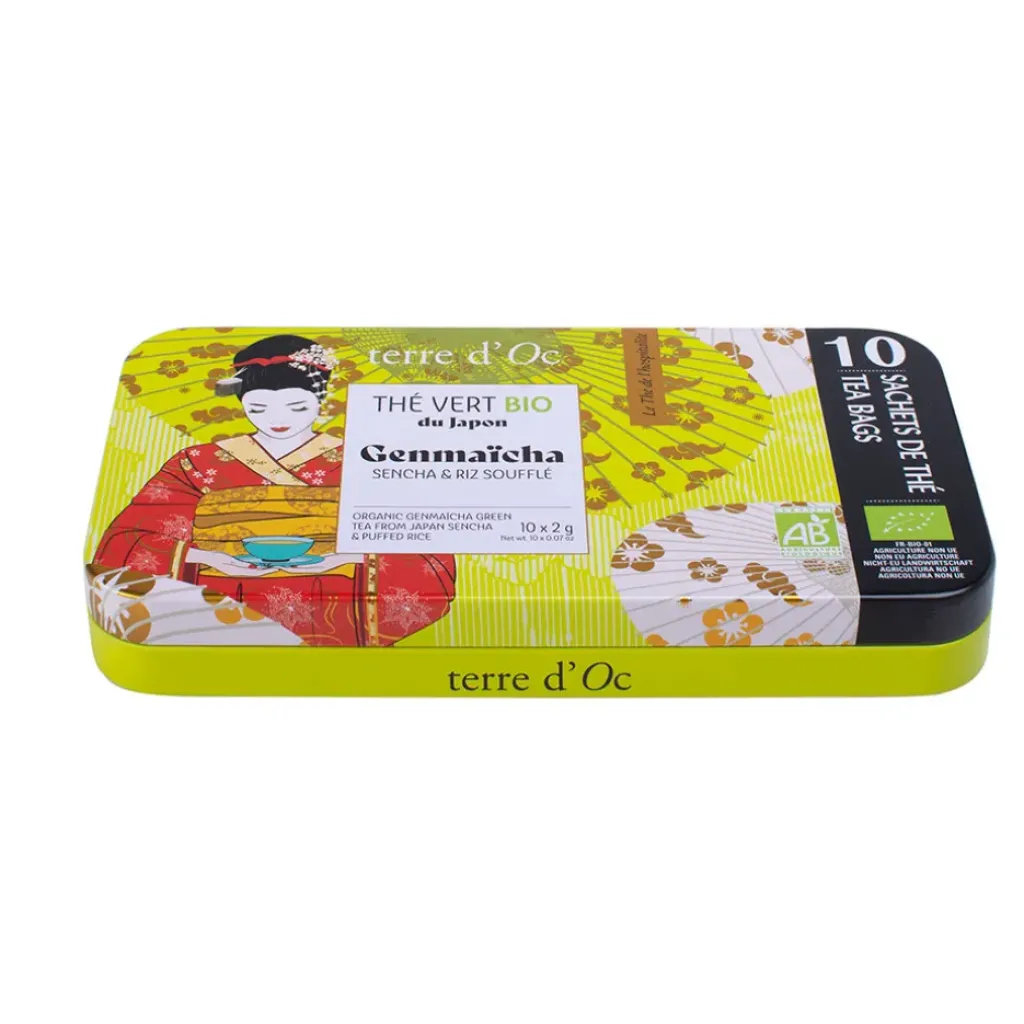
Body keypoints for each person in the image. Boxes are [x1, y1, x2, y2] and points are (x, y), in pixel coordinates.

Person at [94, 334, 455, 645]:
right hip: (220, 594)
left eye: (297, 406)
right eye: (258, 407)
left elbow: (420, 541)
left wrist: (350, 558)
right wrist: (207, 559)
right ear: (241, 403)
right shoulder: (196, 462)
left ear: (321, 400)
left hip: (336, 590)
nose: (278, 420)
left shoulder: (366, 460)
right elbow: (128, 541)